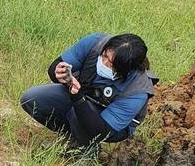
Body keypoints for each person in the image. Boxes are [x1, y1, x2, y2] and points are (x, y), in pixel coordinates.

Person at [19, 33, 157, 147]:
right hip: (83, 96)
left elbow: (100, 131)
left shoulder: (137, 91)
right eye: (104, 56)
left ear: (125, 70)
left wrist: (77, 97)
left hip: (107, 126)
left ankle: (87, 150)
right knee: (31, 98)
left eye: (111, 64)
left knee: (78, 113)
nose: (104, 63)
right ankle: (70, 138)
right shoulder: (95, 43)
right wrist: (58, 73)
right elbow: (54, 67)